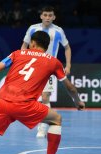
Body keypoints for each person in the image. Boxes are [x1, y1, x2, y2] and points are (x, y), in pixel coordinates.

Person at [21, 6, 72, 138]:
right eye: (45, 15)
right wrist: (23, 61)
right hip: (33, 67)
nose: (48, 17)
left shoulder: (58, 31)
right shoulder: (32, 28)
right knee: (31, 98)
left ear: (54, 17)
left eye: (50, 15)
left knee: (45, 97)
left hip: (48, 68)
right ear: (41, 16)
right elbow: (24, 45)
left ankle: (42, 128)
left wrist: (68, 64)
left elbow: (67, 48)